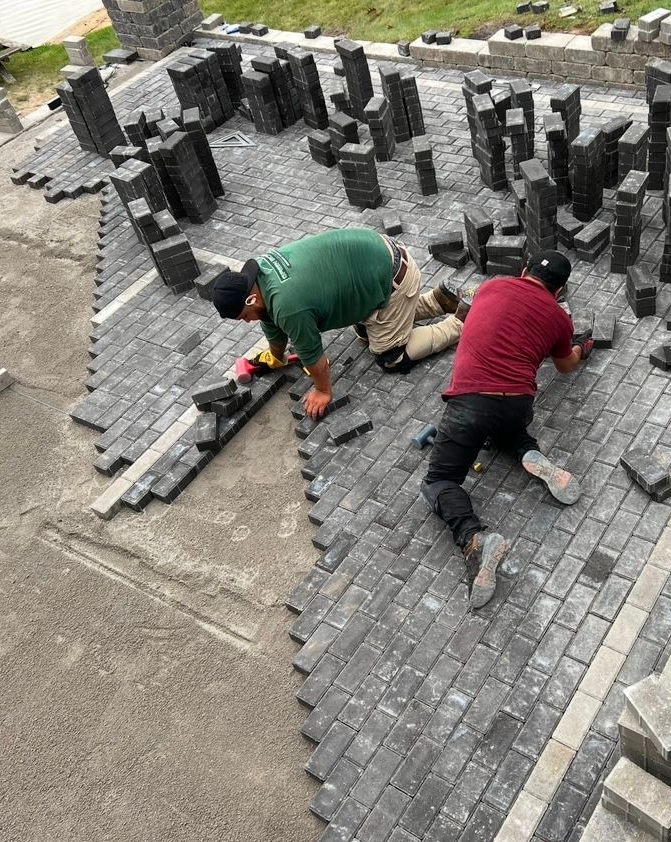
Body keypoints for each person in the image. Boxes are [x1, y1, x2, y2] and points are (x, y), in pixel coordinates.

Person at [420, 251, 594, 609]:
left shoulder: (490, 286)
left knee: (438, 482)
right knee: (508, 430)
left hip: (469, 404)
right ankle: (529, 453)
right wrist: (580, 348)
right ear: (560, 290)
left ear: (523, 271)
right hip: (517, 402)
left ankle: (473, 539)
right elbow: (565, 367)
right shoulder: (560, 318)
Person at [212, 228, 462, 418]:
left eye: (244, 316)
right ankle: (439, 300)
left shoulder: (288, 307)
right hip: (379, 258)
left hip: (393, 277)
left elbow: (314, 358)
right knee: (366, 331)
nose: (247, 322)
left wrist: (323, 391)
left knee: (390, 355)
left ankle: (459, 322)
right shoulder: (261, 274)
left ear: (250, 297)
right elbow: (268, 319)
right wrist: (275, 354)